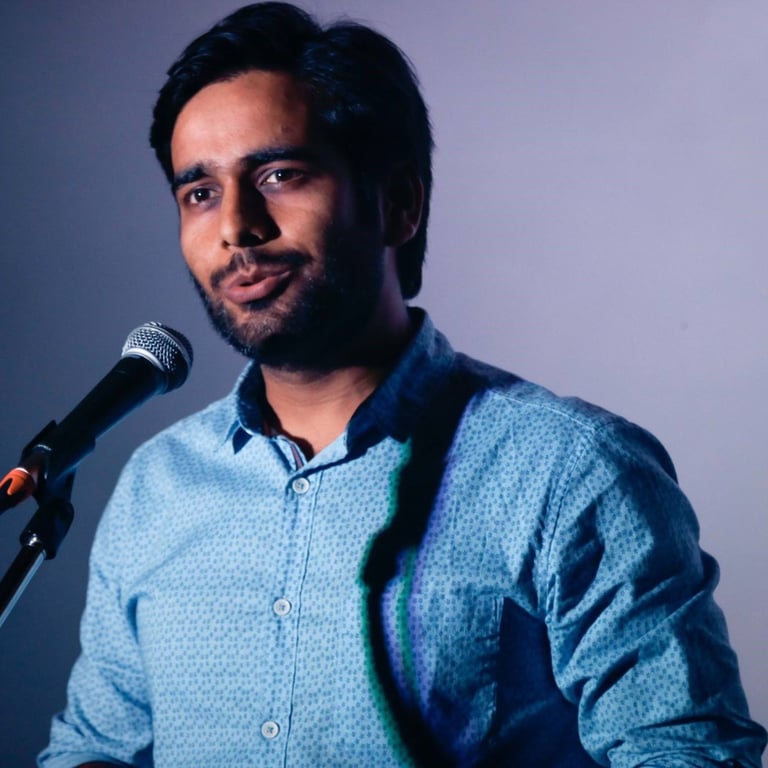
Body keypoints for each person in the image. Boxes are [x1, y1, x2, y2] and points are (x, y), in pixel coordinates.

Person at [39, 3, 766, 767]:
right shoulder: (157, 487)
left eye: (279, 176)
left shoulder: (570, 472)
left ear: (399, 204)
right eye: (200, 193)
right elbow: (94, 748)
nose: (236, 227)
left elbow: (689, 753)